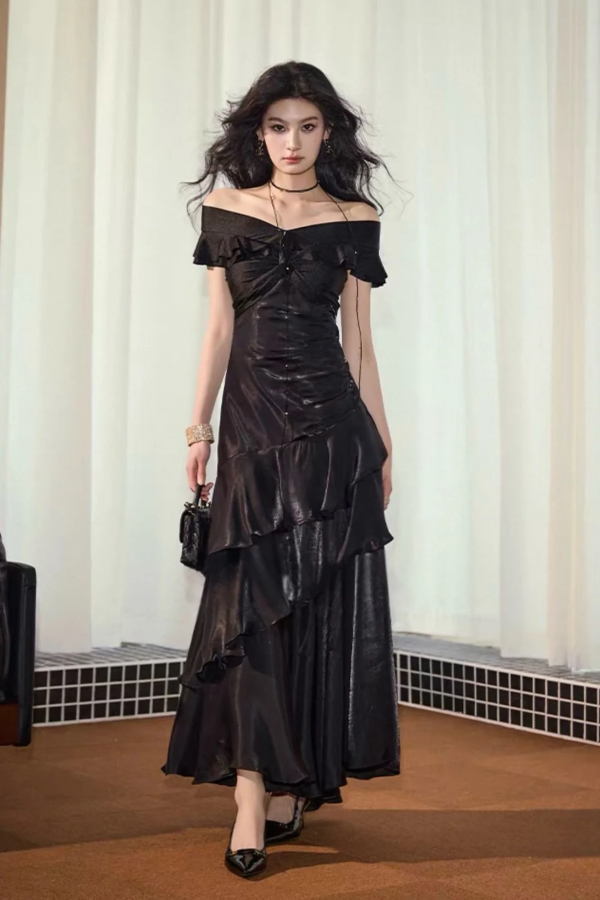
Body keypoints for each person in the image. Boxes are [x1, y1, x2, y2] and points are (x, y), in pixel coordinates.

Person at [162, 60, 401, 878]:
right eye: (276, 127)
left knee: (317, 606)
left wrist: (383, 439)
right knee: (252, 607)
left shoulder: (356, 216)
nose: (291, 143)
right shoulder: (226, 208)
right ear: (257, 133)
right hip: (252, 428)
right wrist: (197, 429)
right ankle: (249, 794)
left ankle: (291, 783)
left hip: (334, 426)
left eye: (306, 127)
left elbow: (360, 342)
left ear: (327, 132)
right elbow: (218, 330)